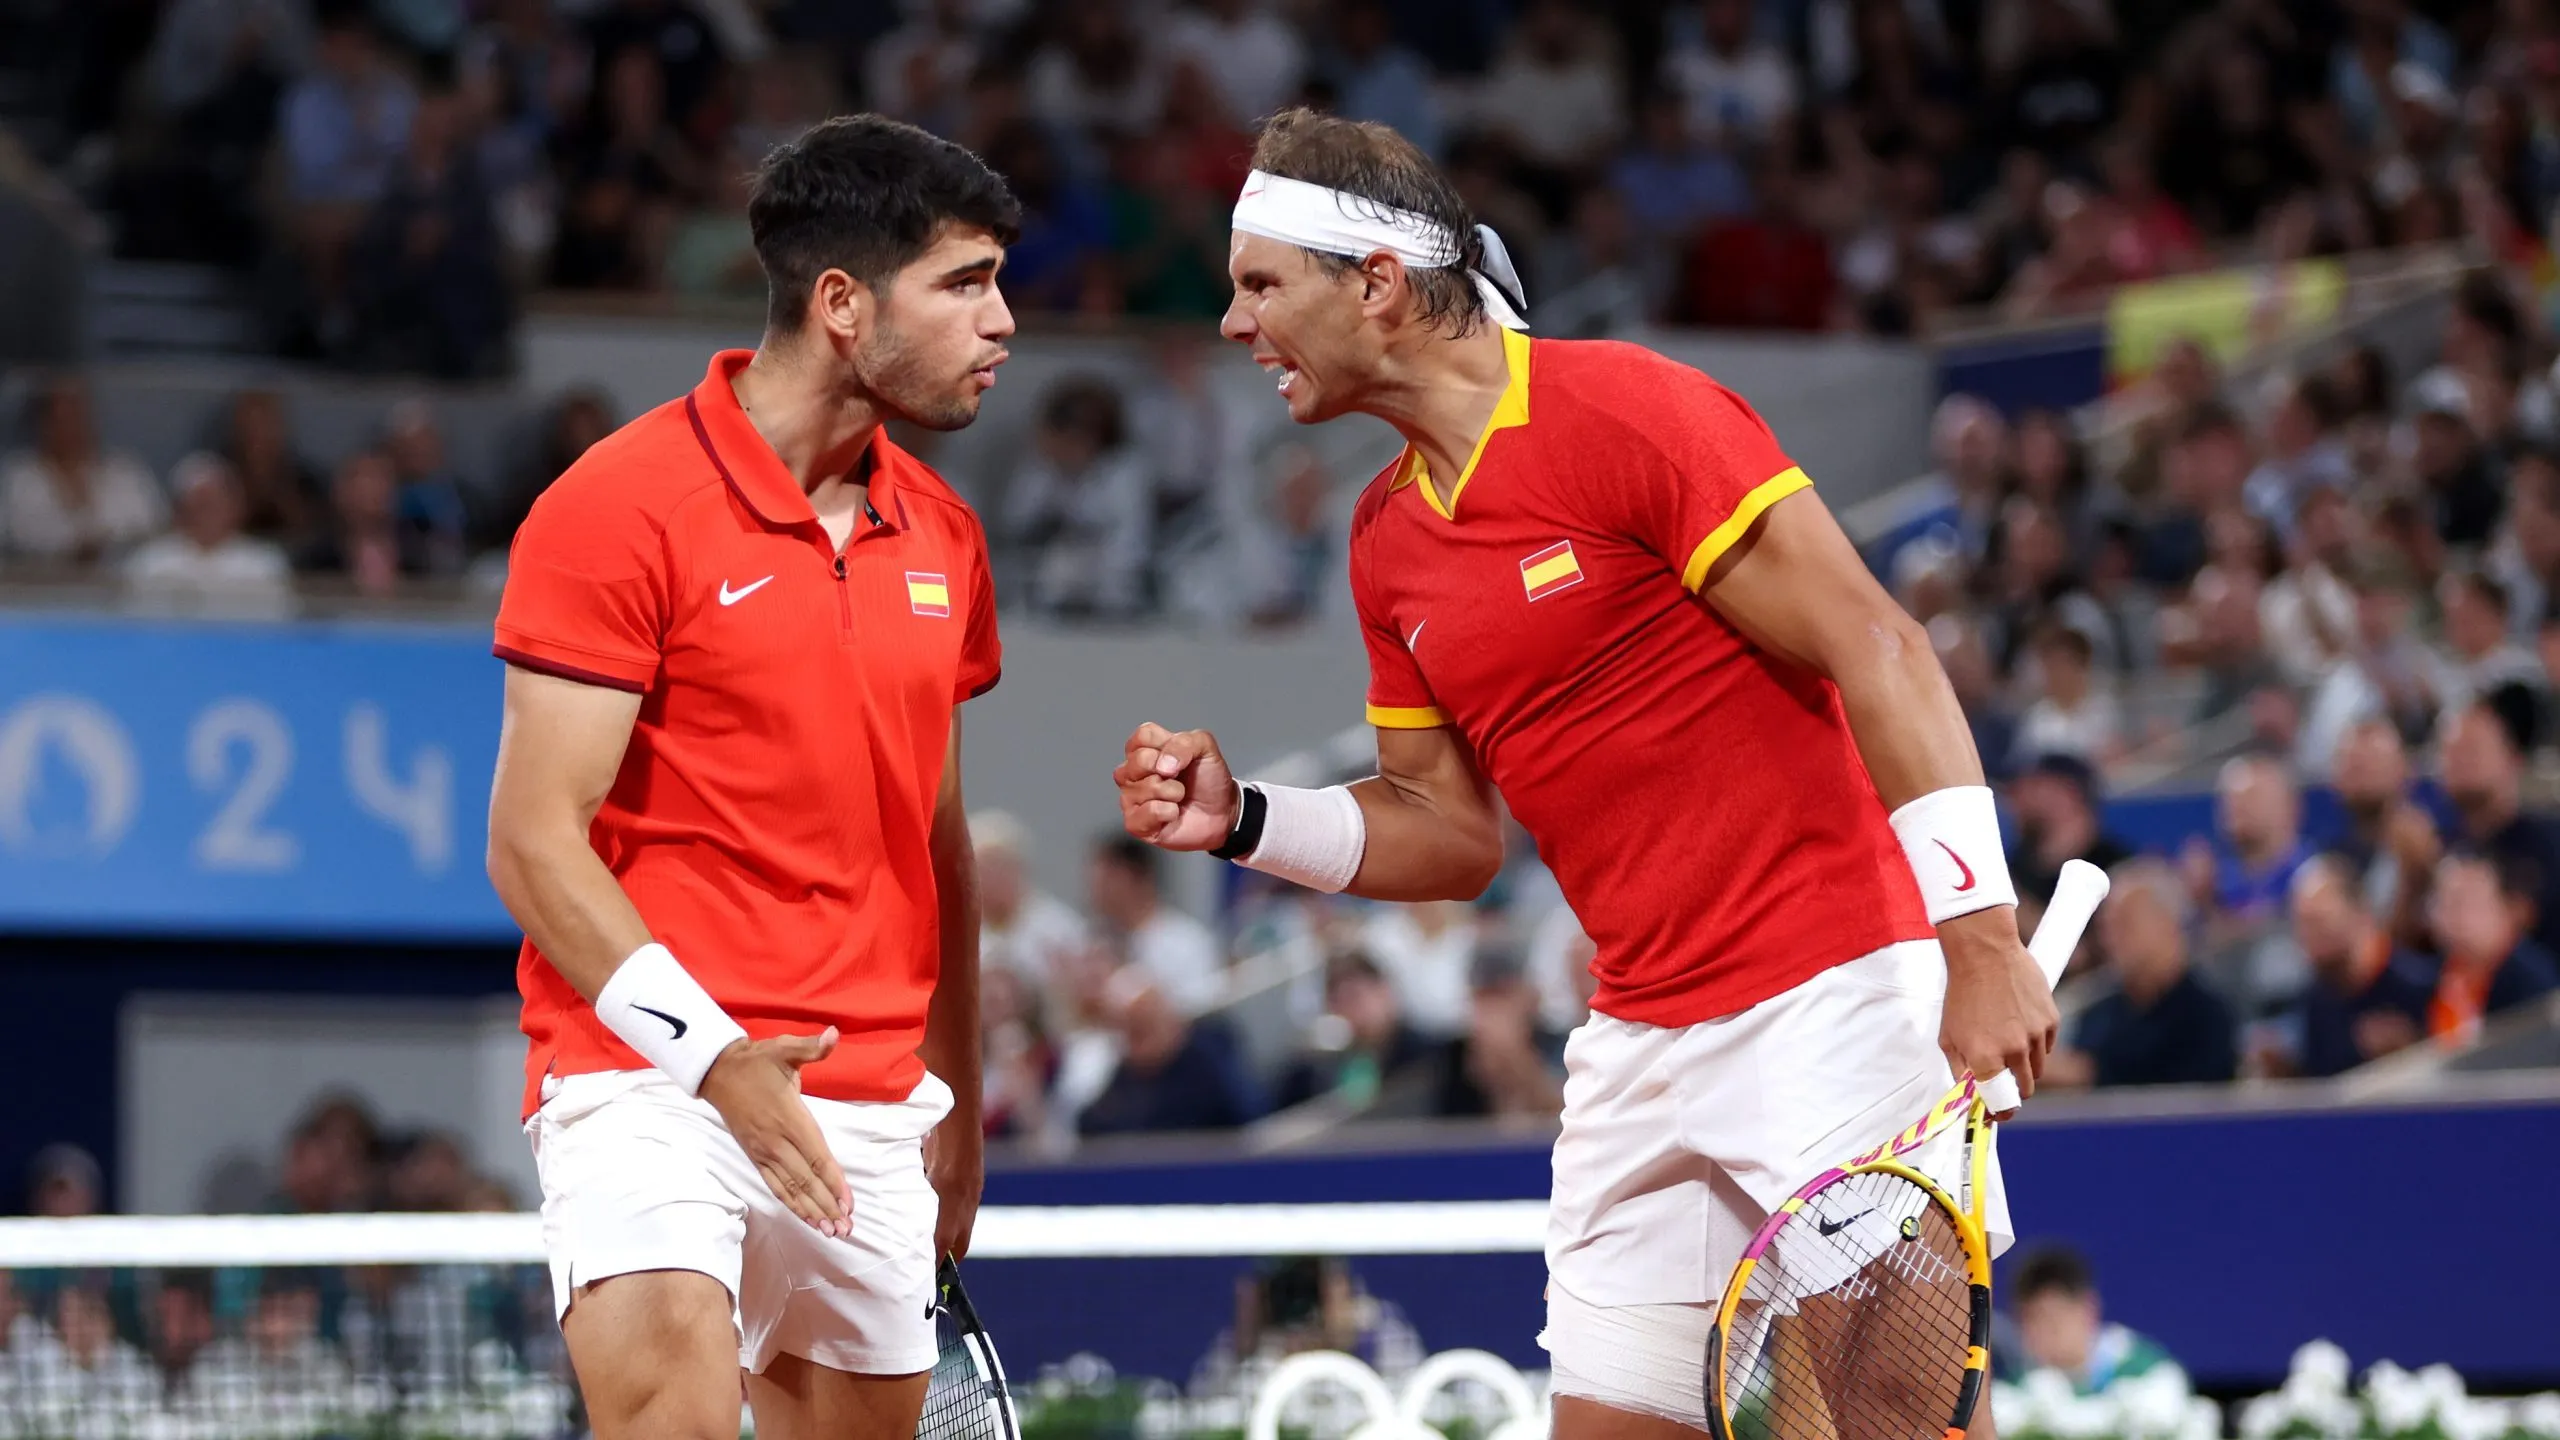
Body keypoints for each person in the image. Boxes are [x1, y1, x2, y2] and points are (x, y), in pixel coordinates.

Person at [1111, 109, 2056, 1440]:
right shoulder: (1385, 542)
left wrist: (1980, 938)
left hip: (1834, 995)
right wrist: (1247, 820)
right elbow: (1446, 833)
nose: (1231, 323)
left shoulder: (1629, 410)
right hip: (1638, 1040)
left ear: (1374, 283)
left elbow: (1878, 643)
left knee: (1887, 1425)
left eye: (1261, 284)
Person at [482, 115, 1016, 1440]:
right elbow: (533, 845)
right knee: (668, 1403)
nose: (1001, 323)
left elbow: (933, 847)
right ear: (842, 304)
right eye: (964, 284)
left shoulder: (946, 534)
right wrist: (718, 1063)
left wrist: (961, 1106)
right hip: (648, 1078)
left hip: (874, 1108)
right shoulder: (617, 508)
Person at [2047, 859, 2239, 1089]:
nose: (2110, 940)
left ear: (2167, 924)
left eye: (2125, 924)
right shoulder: (2096, 1014)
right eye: (2106, 928)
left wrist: (2088, 1076)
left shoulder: (2208, 1016)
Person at [2265, 854, 2434, 1078]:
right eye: (2301, 924)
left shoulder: (2421, 985)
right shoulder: (2315, 1000)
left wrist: (2414, 1053)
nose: (2307, 938)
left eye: (2319, 921)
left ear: (2360, 914)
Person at [2422, 851, 2560, 1046]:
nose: (2452, 918)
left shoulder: (2533, 984)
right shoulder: (2433, 977)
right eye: (2444, 903)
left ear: (2506, 907)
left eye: (2465, 903)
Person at [2008, 1245, 2178, 1396]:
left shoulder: (2147, 1374)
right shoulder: (2017, 1387)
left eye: (2052, 1320)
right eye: (2029, 1321)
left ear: (2089, 1310)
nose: (2040, 1335)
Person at [1087, 834, 1226, 1015]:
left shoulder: (1186, 943)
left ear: (1134, 877)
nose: (1095, 892)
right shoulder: (1098, 944)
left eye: (1105, 880)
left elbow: (1204, 1009)